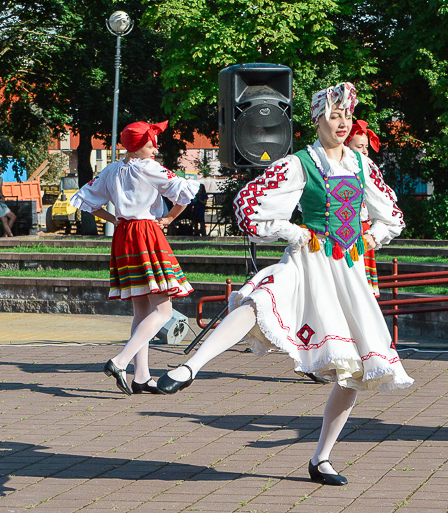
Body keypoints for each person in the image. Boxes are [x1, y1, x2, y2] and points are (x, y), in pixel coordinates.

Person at [156, 82, 412, 486]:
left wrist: (371, 238)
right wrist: (294, 233)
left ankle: (321, 459)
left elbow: (391, 216)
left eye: (345, 115)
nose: (341, 123)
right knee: (257, 301)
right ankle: (191, 367)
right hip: (307, 261)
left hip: (347, 273)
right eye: (333, 115)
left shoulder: (363, 166)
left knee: (357, 369)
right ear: (316, 120)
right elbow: (251, 205)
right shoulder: (300, 164)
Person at [70, 120, 200, 396]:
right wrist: (168, 218)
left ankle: (142, 376)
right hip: (146, 233)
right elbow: (185, 192)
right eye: (151, 142)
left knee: (141, 310)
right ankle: (120, 361)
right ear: (138, 146)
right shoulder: (150, 168)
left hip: (124, 236)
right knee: (163, 310)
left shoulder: (112, 170)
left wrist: (114, 219)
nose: (155, 147)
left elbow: (86, 200)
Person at [345, 119, 381, 296]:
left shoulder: (368, 170)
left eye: (366, 147)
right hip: (343, 232)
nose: (365, 151)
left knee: (363, 291)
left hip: (363, 230)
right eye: (360, 147)